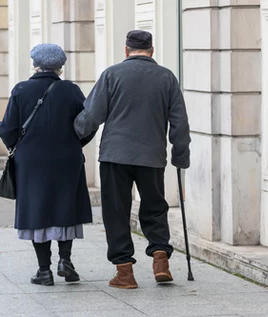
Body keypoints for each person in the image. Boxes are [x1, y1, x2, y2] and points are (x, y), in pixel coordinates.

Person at [74, 30, 191, 289]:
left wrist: (75, 133)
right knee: (154, 206)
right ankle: (161, 258)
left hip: (115, 156)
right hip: (152, 156)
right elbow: (180, 123)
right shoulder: (167, 78)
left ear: (126, 50)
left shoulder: (111, 75)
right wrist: (180, 155)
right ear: (152, 50)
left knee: (116, 211)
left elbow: (92, 115)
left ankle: (124, 271)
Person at [0, 43, 95, 286]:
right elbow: (87, 124)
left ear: (35, 64)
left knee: (37, 209)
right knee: (66, 206)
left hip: (31, 161)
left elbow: (8, 128)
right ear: (60, 66)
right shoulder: (71, 91)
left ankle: (44, 270)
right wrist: (75, 143)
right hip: (67, 159)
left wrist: (15, 146)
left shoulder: (21, 90)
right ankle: (66, 261)